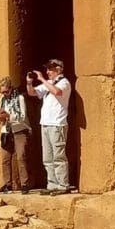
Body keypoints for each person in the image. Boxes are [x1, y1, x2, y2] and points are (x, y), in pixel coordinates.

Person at [27, 59, 72, 195]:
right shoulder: (49, 83)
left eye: (50, 69)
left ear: (59, 69)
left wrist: (42, 79)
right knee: (47, 157)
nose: (47, 72)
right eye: (47, 69)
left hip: (57, 124)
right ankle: (52, 184)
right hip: (45, 124)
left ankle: (63, 185)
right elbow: (32, 93)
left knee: (58, 156)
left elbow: (57, 92)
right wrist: (29, 83)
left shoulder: (64, 83)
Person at [0, 76, 32, 195]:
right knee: (5, 158)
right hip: (6, 131)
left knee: (21, 156)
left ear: (10, 88)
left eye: (6, 91)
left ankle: (24, 184)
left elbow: (22, 116)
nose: (4, 94)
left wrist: (8, 116)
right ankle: (7, 184)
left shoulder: (19, 98)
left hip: (19, 130)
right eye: (2, 92)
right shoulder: (2, 100)